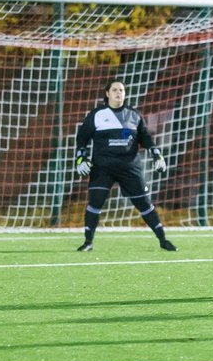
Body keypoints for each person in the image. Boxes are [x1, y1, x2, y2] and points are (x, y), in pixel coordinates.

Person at [73, 78, 176, 252]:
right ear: (107, 94)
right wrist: (80, 158)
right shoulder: (97, 114)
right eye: (114, 90)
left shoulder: (134, 115)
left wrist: (156, 154)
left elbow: (146, 138)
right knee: (95, 203)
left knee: (144, 204)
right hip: (102, 168)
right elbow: (82, 138)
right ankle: (88, 242)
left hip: (130, 168)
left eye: (121, 90)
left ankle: (163, 240)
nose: (119, 93)